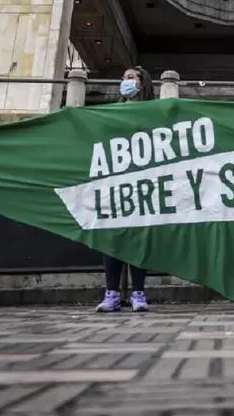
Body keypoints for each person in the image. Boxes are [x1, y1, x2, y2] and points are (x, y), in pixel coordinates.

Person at [96, 66, 155, 313]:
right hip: (115, 181)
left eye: (130, 78)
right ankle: (112, 294)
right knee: (113, 239)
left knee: (138, 240)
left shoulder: (153, 112)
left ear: (142, 84)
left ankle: (138, 293)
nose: (125, 81)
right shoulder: (112, 112)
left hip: (142, 182)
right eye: (123, 78)